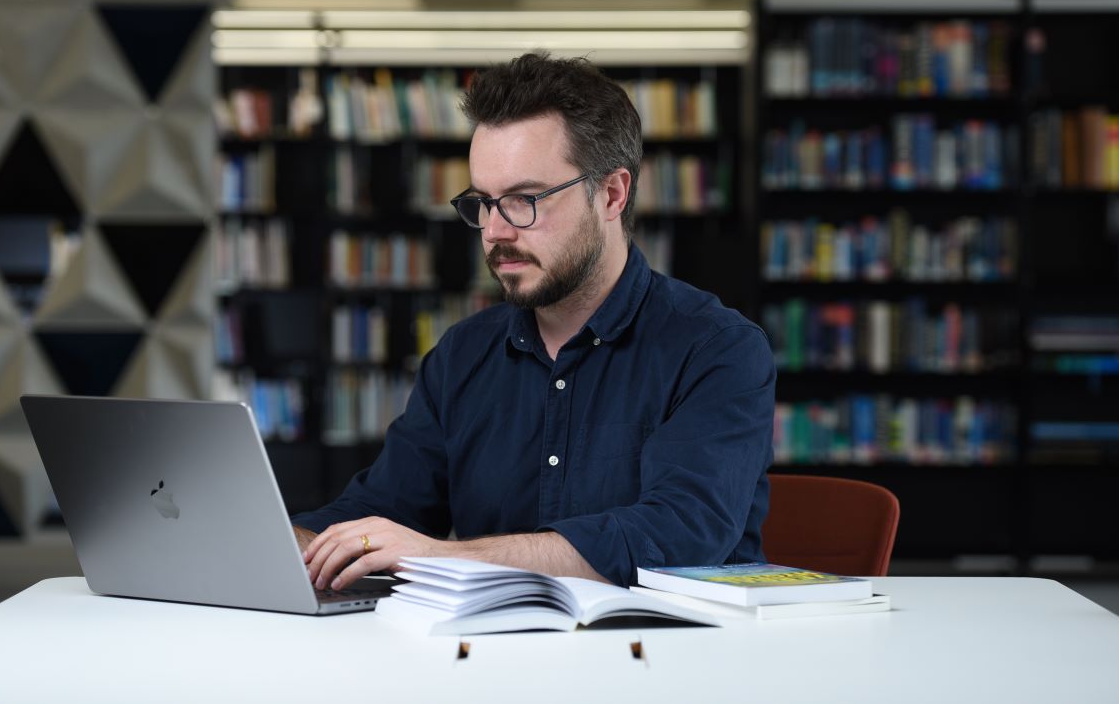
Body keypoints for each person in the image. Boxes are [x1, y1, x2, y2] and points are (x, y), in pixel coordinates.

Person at [294, 52, 774, 591]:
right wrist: (286, 542)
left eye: (523, 200)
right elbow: (382, 510)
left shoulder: (716, 348)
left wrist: (441, 556)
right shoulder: (461, 355)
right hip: (490, 660)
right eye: (483, 202)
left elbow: (677, 534)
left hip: (665, 658)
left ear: (612, 194)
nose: (495, 231)